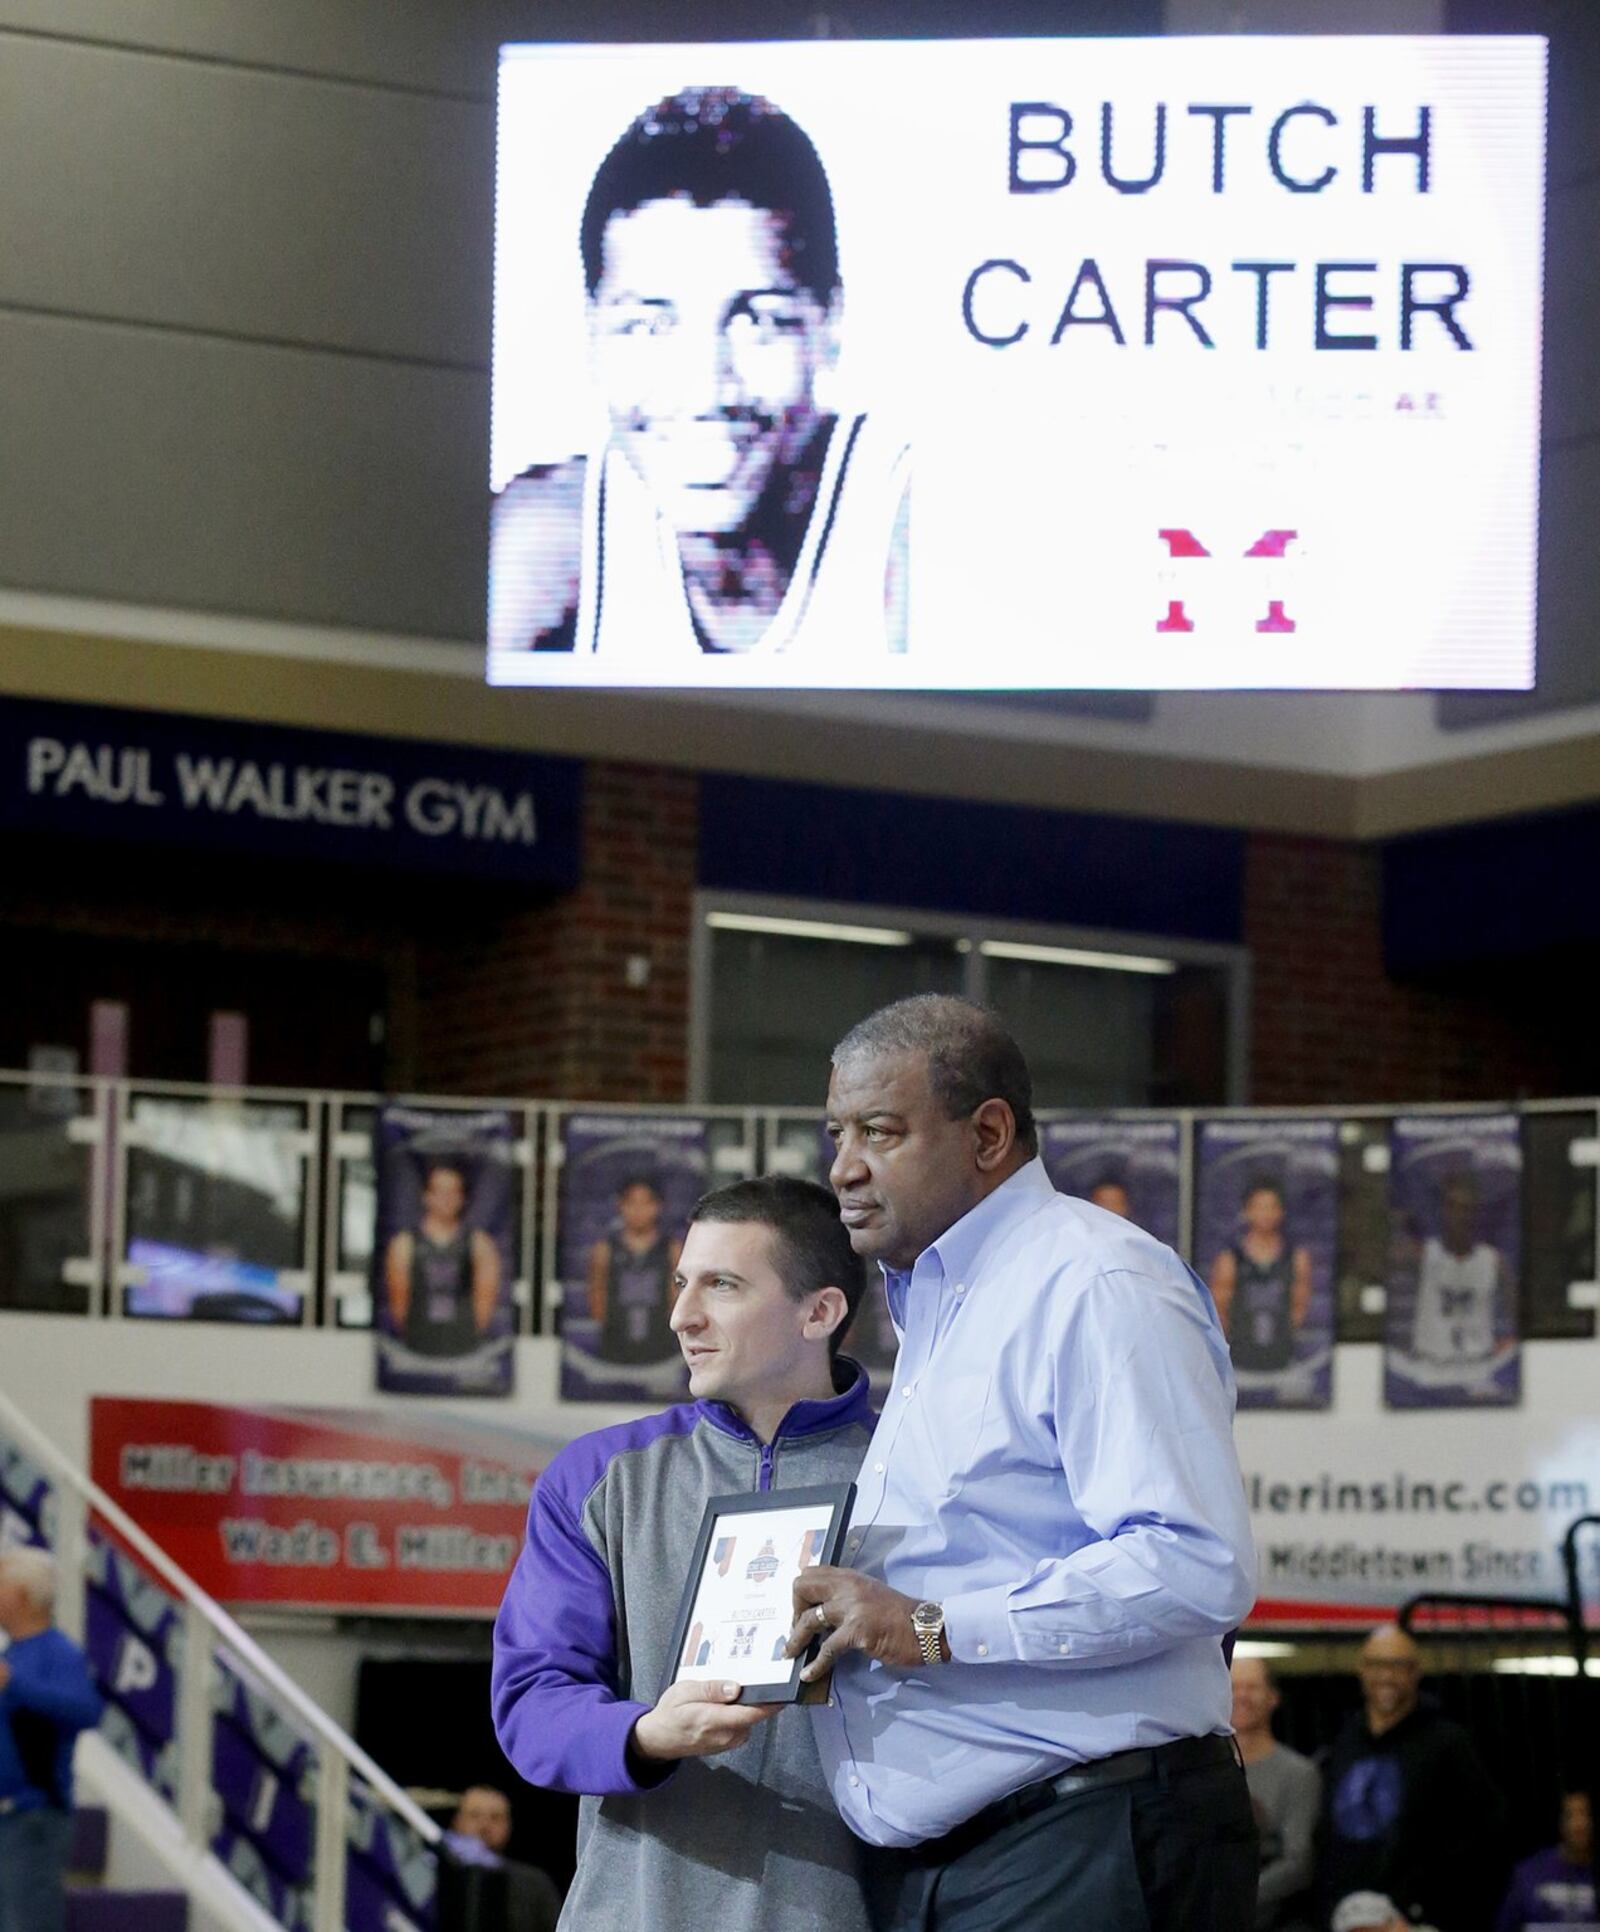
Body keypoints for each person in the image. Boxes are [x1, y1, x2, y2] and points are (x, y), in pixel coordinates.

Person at [788, 994, 1259, 1931]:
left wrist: (927, 1625)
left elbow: (1195, 1561)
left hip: (1087, 1845)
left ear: (989, 1134)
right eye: (836, 1132)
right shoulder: (936, 1301)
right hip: (973, 1864)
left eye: (880, 1131)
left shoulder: (1096, 1281)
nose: (843, 1168)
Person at [492, 1176, 878, 1931]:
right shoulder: (601, 1477)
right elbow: (531, 1697)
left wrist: (923, 1634)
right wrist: (642, 1736)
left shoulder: (916, 1473)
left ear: (819, 1312)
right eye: (680, 1283)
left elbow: (961, 1662)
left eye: (722, 1285)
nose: (681, 1316)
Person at [489, 86, 910, 662]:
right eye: (649, 326)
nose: (705, 390)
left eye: (759, 321)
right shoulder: (548, 540)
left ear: (829, 324)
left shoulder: (906, 522)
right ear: (591, 333)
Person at [1318, 1623, 1503, 1932]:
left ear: (1416, 1672)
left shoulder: (1447, 1743)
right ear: (1361, 1670)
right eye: (1377, 1665)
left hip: (1418, 1919)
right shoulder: (1343, 1740)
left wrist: (1431, 1907)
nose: (1386, 1676)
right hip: (1344, 1916)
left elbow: (1485, 1833)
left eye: (1397, 1665)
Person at [0, 1547, 104, 1932]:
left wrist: (16, 1684)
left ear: (24, 1596)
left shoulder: (57, 1652)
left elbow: (86, 1711)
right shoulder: (14, 1652)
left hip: (33, 1818)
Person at [1231, 1656, 1319, 1930]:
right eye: (1233, 1687)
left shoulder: (1299, 1773)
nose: (1242, 1695)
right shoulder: (1200, 1774)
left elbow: (1298, 1863)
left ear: (1273, 1697)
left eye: (1252, 1687)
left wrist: (1232, 1902)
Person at [384, 1161, 500, 1357]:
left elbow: (484, 1305)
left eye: (453, 1192)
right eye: (439, 1191)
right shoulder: (403, 1244)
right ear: (426, 1196)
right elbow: (398, 1303)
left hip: (465, 1347)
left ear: (462, 1198)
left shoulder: (481, 1244)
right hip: (417, 1345)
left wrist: (464, 1341)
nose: (446, 1199)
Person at [1208, 1178, 1313, 1376]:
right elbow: (1219, 1309)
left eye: (1271, 1207)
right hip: (1239, 1361)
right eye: (1259, 1207)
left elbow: (1299, 1306)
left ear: (1281, 1212)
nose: (1265, 1214)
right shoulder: (1229, 1259)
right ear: (1247, 1211)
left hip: (1282, 1359)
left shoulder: (1297, 1258)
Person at [1411, 1173, 1508, 1375]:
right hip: (1430, 1366)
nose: (1460, 1216)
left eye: (1466, 1209)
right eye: (1453, 1207)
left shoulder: (1494, 1261)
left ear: (1475, 1213)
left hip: (1478, 1365)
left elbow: (1518, 1312)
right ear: (1443, 1211)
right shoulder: (1422, 1255)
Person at [586, 1175, 682, 1367]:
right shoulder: (603, 1251)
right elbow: (597, 1297)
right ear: (620, 1205)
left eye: (646, 1203)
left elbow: (677, 1300)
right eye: (631, 1203)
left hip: (661, 1348)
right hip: (614, 1347)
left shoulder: (673, 1251)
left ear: (658, 1206)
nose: (638, 1210)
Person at [1495, 1790, 1595, 1931]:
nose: (1580, 1824)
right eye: (1570, 1816)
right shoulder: (1528, 1874)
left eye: (1586, 1814)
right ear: (1560, 1821)